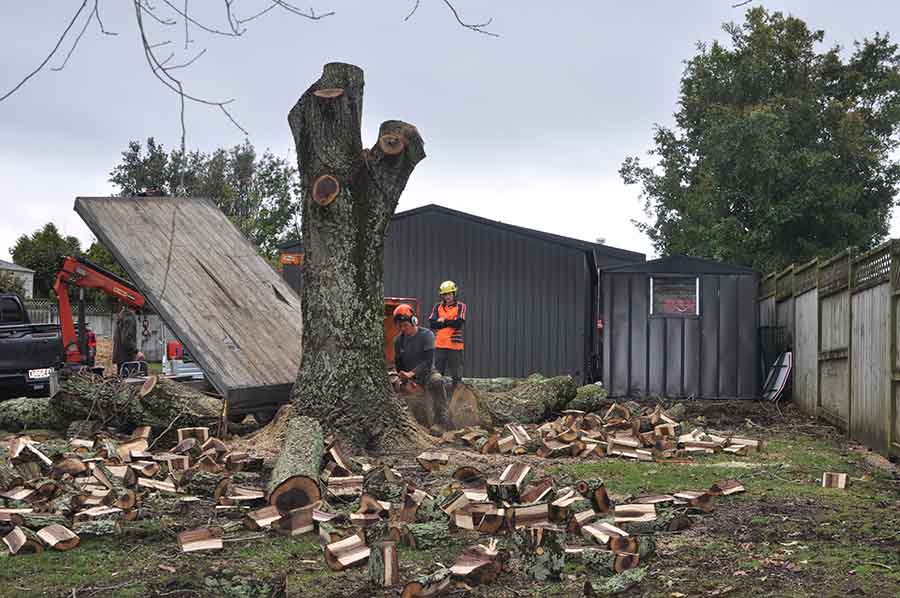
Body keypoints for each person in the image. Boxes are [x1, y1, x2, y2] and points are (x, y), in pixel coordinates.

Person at [392, 303, 448, 429]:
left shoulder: (427, 335)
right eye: (400, 326)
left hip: (427, 373)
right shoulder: (398, 341)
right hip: (410, 377)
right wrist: (406, 379)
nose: (403, 329)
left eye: (405, 325)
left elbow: (428, 362)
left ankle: (441, 421)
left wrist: (412, 373)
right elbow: (399, 365)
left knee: (437, 380)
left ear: (414, 321)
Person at [429, 280, 466, 387]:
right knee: (437, 376)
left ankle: (457, 400)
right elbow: (433, 324)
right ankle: (437, 399)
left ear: (454, 294)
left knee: (456, 376)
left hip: (455, 346)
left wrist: (443, 321)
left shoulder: (461, 306)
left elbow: (458, 323)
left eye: (449, 294)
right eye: (445, 294)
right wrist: (450, 321)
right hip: (439, 345)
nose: (447, 296)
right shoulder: (437, 307)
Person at [112, 304, 138, 374]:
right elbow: (127, 339)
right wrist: (136, 351)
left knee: (121, 380)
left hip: (120, 357)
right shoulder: (129, 318)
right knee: (128, 380)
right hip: (126, 357)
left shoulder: (122, 316)